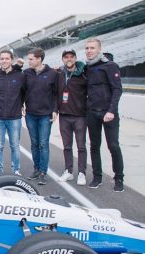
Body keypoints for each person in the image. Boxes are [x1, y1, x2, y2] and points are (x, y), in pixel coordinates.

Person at [84, 38, 124, 192]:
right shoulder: (86, 67)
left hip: (108, 114)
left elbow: (117, 89)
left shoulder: (110, 66)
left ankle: (119, 178)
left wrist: (111, 111)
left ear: (99, 49)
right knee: (94, 146)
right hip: (92, 113)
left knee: (113, 146)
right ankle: (97, 177)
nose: (89, 51)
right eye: (87, 48)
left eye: (92, 48)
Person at [23, 48, 59, 185]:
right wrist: (21, 105)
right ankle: (36, 169)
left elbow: (56, 93)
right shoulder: (26, 73)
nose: (29, 61)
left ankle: (43, 172)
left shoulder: (53, 74)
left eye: (31, 59)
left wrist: (55, 110)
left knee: (43, 144)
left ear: (39, 59)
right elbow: (22, 91)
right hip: (30, 114)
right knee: (34, 143)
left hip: (45, 115)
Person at [0, 50, 25, 175]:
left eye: (7, 58)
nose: (4, 61)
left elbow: (25, 92)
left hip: (14, 117)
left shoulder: (20, 76)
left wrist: (22, 105)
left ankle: (16, 169)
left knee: (15, 145)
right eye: (2, 59)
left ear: (11, 60)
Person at [57, 49, 88, 186]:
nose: (68, 59)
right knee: (67, 146)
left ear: (75, 58)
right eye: (66, 57)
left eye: (71, 57)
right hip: (64, 115)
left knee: (81, 146)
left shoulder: (83, 73)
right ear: (63, 59)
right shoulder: (59, 73)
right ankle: (68, 171)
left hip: (80, 115)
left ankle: (82, 172)